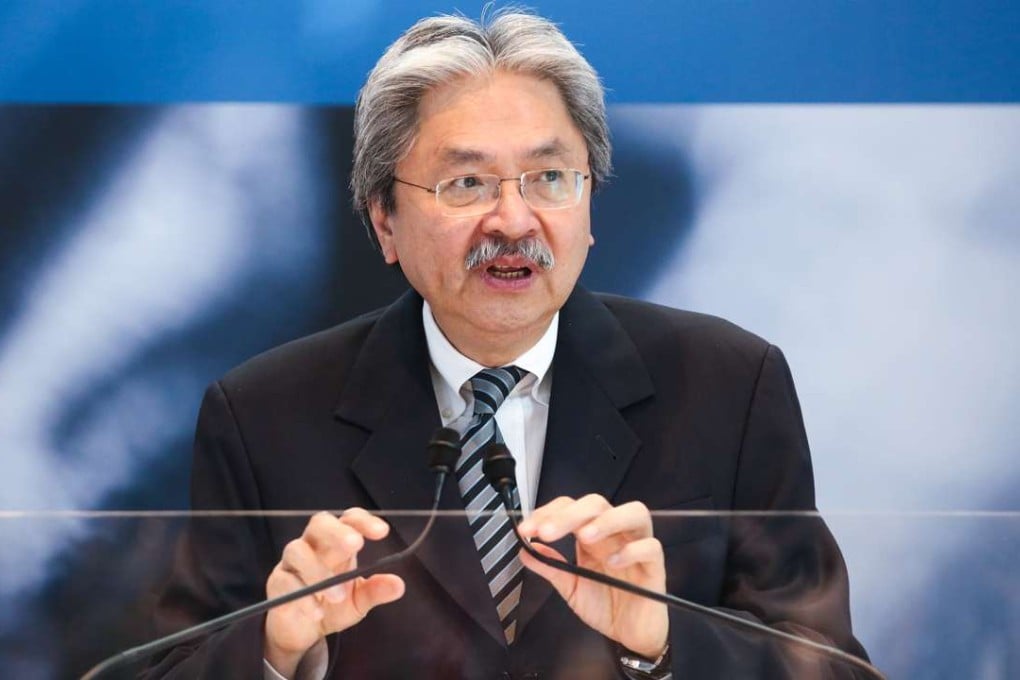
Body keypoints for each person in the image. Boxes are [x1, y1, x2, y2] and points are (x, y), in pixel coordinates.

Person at [148, 9, 870, 680]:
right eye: (467, 183)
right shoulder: (262, 415)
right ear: (386, 222)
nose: (513, 220)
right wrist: (274, 654)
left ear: (589, 206)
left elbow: (831, 667)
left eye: (550, 178)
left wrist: (661, 646)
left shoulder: (729, 387)